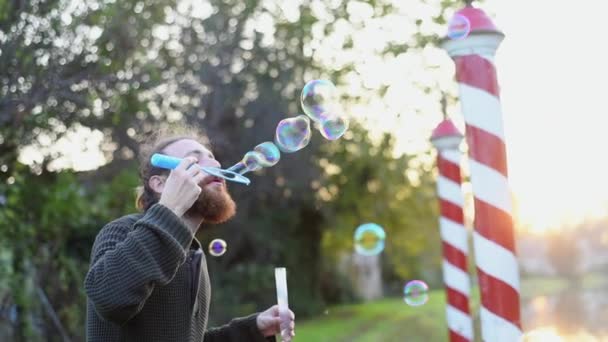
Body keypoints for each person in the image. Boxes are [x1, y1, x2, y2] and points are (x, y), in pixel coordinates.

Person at [84, 127, 295, 341]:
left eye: (212, 158)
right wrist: (169, 210)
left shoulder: (192, 253)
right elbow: (107, 298)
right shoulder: (123, 231)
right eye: (194, 160)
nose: (216, 165)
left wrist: (254, 329)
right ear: (160, 184)